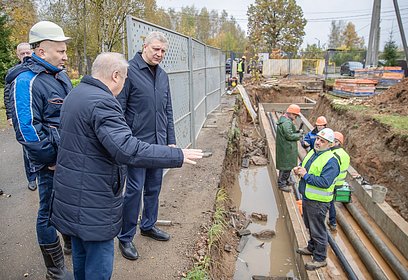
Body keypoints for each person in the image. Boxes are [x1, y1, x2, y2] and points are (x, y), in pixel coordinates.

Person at [50, 52, 203, 280]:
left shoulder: (77, 93)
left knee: (81, 258)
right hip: (94, 202)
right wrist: (176, 155)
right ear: (115, 76)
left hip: (71, 197)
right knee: (99, 267)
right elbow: (127, 149)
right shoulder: (103, 103)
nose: (124, 84)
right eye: (124, 78)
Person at [7, 21, 73, 279]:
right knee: (47, 212)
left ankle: (69, 244)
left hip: (67, 158)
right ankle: (55, 271)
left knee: (66, 203)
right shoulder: (25, 81)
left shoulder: (61, 75)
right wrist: (51, 159)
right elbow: (27, 130)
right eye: (61, 51)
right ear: (42, 51)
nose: (65, 56)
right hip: (50, 162)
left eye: (65, 51)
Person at [116, 31, 177, 261]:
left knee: (154, 187)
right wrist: (124, 141)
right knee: (133, 191)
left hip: (159, 143)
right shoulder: (128, 72)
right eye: (156, 49)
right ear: (144, 46)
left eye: (163, 51)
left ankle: (148, 225)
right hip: (136, 145)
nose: (159, 54)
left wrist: (170, 140)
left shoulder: (163, 76)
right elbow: (119, 110)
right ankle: (125, 236)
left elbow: (167, 110)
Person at [293, 128, 340, 270]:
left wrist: (305, 175)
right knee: (310, 226)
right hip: (308, 197)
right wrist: (299, 169)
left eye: (322, 141)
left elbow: (325, 182)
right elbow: (306, 167)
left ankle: (320, 258)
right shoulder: (314, 153)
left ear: (330, 144)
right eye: (318, 139)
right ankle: (311, 247)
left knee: (318, 229)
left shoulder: (331, 161)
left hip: (319, 202)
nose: (318, 142)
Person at [4, 42, 38, 191]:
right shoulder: (13, 73)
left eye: (27, 52)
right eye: (22, 53)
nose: (25, 55)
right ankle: (31, 178)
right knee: (28, 148)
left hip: (37, 113)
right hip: (22, 115)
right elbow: (7, 95)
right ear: (18, 55)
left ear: (32, 52)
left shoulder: (38, 70)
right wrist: (10, 116)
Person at [276, 104, 303, 192]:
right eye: (295, 115)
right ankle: (282, 184)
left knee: (287, 166)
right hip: (286, 148)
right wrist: (299, 135)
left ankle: (286, 180)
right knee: (285, 167)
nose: (296, 117)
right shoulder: (286, 123)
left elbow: (289, 133)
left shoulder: (285, 120)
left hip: (286, 147)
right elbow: (289, 135)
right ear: (291, 114)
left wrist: (296, 132)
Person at [328, 131, 350, 231]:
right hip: (340, 183)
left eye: (333, 141)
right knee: (331, 201)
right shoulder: (345, 154)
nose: (331, 142)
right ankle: (332, 222)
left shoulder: (333, 154)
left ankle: (332, 222)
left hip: (333, 182)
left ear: (338, 142)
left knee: (329, 202)